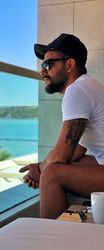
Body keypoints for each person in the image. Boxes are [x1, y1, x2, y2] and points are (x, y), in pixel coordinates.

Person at [19, 33, 104, 219]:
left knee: (52, 174)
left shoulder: (77, 90)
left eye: (48, 64)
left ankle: (51, 241)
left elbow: (62, 153)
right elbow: (74, 151)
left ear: (70, 65)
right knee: (61, 165)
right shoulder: (88, 86)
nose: (42, 71)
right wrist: (41, 166)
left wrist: (41, 169)